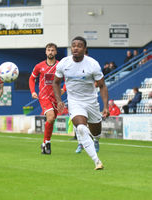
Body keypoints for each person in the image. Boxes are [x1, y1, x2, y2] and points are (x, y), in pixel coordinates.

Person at [53, 36, 109, 170]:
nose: (75, 48)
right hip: (75, 101)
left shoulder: (93, 64)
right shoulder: (63, 63)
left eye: (79, 46)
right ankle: (97, 161)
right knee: (81, 128)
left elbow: (102, 85)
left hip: (91, 102)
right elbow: (56, 82)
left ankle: (95, 140)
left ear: (84, 49)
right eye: (73, 45)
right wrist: (59, 100)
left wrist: (105, 106)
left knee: (96, 132)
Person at [29, 43, 60, 155]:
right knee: (50, 117)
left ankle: (45, 142)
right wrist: (33, 91)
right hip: (44, 96)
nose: (50, 52)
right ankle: (47, 142)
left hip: (56, 97)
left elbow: (68, 78)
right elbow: (32, 79)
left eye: (52, 50)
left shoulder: (60, 65)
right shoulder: (39, 66)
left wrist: (64, 89)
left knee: (51, 121)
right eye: (48, 50)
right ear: (46, 52)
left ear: (56, 52)